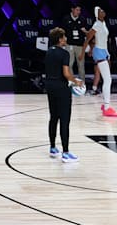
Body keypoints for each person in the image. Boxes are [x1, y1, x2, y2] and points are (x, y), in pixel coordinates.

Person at [42, 27, 87, 161]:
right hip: (61, 88)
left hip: (49, 86)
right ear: (60, 39)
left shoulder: (49, 52)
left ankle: (52, 147)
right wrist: (76, 82)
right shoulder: (64, 53)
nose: (66, 39)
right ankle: (66, 153)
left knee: (53, 117)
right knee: (64, 120)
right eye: (64, 37)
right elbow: (66, 74)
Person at [90, 6, 117, 117]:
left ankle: (105, 106)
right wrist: (84, 52)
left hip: (104, 52)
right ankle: (106, 107)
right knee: (107, 79)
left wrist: (108, 53)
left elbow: (104, 40)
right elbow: (89, 37)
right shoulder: (97, 24)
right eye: (101, 11)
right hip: (98, 51)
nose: (103, 11)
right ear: (97, 14)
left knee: (107, 78)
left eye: (103, 10)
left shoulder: (103, 23)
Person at [63, 5, 89, 85]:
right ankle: (72, 83)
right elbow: (62, 32)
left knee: (81, 65)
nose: (78, 12)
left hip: (80, 46)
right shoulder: (66, 19)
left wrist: (85, 31)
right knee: (69, 64)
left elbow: (87, 33)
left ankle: (82, 84)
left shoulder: (83, 19)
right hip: (69, 45)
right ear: (72, 9)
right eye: (77, 10)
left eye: (79, 10)